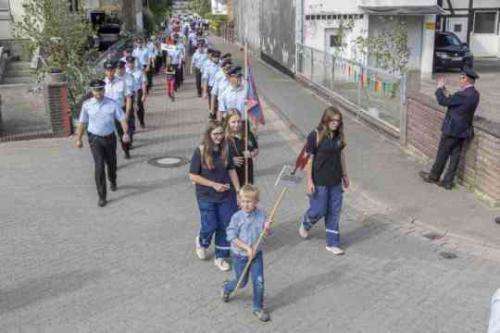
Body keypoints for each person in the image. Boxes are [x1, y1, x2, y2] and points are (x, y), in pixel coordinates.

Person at [189, 121, 241, 272]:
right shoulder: (200, 151)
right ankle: (202, 241)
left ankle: (220, 257)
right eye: (215, 134)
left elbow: (231, 170)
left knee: (225, 225)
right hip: (206, 196)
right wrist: (213, 184)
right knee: (210, 225)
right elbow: (193, 176)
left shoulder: (227, 148)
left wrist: (238, 191)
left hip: (226, 196)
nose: (219, 137)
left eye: (221, 133)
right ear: (208, 135)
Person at [299, 106, 350, 255]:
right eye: (333, 120)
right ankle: (307, 222)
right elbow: (309, 159)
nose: (336, 123)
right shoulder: (315, 135)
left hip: (335, 180)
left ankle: (332, 243)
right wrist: (309, 181)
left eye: (338, 121)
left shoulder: (339, 136)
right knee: (320, 209)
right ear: (326, 119)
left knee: (334, 211)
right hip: (319, 179)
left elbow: (341, 156)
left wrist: (345, 175)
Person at [419, 67, 480, 190]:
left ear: (466, 79)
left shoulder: (462, 95)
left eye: (461, 78)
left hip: (452, 129)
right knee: (455, 156)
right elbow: (455, 102)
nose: (459, 80)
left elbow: (443, 101)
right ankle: (448, 182)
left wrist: (439, 88)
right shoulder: (474, 94)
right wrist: (446, 91)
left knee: (443, 153)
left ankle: (433, 176)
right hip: (463, 131)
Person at [75, 79, 129, 207]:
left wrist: (126, 133)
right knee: (99, 166)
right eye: (95, 90)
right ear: (92, 91)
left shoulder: (112, 104)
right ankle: (102, 196)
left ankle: (113, 180)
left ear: (104, 90)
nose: (98, 92)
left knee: (111, 163)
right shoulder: (87, 105)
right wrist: (78, 139)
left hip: (109, 138)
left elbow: (122, 119)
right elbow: (82, 122)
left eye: (100, 90)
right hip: (95, 139)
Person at [221, 184, 271, 322]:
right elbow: (230, 236)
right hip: (240, 255)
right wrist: (247, 248)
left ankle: (257, 308)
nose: (246, 204)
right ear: (239, 201)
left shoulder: (261, 215)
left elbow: (265, 235)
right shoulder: (237, 217)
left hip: (256, 255)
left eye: (249, 201)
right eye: (243, 201)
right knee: (241, 283)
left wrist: (266, 229)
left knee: (259, 282)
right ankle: (227, 287)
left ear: (256, 202)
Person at [103, 60, 133, 159]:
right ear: (105, 71)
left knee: (123, 134)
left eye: (112, 70)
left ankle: (126, 150)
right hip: (108, 113)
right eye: (108, 70)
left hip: (120, 111)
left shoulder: (121, 82)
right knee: (108, 136)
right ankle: (110, 156)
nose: (110, 73)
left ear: (114, 70)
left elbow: (128, 97)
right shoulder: (102, 85)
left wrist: (127, 112)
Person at [225, 109, 258, 185]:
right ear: (227, 122)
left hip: (246, 173)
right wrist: (230, 161)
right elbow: (217, 158)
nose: (237, 124)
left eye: (239, 121)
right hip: (231, 176)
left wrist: (252, 153)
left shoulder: (247, 133)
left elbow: (256, 149)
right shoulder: (224, 138)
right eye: (233, 122)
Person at [116, 60, 137, 148]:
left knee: (130, 122)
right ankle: (124, 142)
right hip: (118, 104)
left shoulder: (130, 77)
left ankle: (130, 139)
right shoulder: (114, 79)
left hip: (129, 101)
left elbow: (134, 91)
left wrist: (135, 103)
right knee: (120, 127)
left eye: (121, 68)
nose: (119, 70)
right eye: (118, 68)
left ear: (124, 68)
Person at [125, 55, 147, 129]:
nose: (130, 64)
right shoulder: (125, 73)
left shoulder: (139, 72)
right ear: (127, 63)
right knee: (130, 110)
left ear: (134, 63)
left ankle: (141, 121)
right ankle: (132, 126)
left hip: (138, 92)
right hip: (129, 93)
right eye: (129, 63)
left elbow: (143, 83)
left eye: (132, 62)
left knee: (139, 108)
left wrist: (144, 94)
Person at [202, 49, 221, 118]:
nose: (217, 58)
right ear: (212, 58)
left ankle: (220, 118)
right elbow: (206, 80)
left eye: (218, 57)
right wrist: (204, 92)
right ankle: (213, 116)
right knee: (212, 104)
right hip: (211, 88)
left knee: (220, 104)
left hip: (221, 88)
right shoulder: (208, 67)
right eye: (215, 57)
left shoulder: (222, 65)